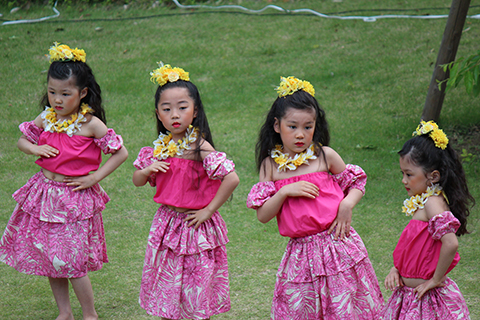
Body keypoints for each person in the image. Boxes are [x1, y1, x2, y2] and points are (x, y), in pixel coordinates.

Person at [0, 42, 128, 320]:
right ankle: (64, 312)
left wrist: (95, 177)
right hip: (45, 194)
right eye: (52, 92)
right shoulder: (47, 118)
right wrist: (34, 148)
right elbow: (23, 140)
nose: (57, 100)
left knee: (71, 260)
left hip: (74, 198)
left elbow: (120, 153)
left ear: (82, 93)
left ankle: (89, 313)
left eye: (65, 94)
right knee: (50, 258)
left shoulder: (90, 123)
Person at [246, 76, 383, 319]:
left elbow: (357, 183)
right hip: (300, 254)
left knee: (346, 309)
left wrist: (347, 205)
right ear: (277, 126)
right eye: (293, 126)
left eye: (308, 127)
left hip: (338, 244)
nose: (301, 134)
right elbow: (263, 215)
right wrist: (285, 191)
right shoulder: (270, 166)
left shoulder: (324, 156)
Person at [133, 62, 239, 320]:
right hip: (168, 225)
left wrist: (208, 210)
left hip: (196, 226)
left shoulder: (199, 146)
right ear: (158, 114)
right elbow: (137, 179)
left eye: (182, 108)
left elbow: (232, 179)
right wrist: (147, 171)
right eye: (167, 109)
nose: (175, 115)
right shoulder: (159, 148)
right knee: (167, 290)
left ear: (195, 111)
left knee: (197, 290)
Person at [381, 120, 473, 319]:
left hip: (427, 298)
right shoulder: (425, 202)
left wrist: (435, 280)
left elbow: (450, 243)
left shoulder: (433, 203)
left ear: (433, 176)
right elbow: (415, 247)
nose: (403, 180)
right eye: (402, 173)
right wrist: (396, 269)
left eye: (409, 174)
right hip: (409, 295)